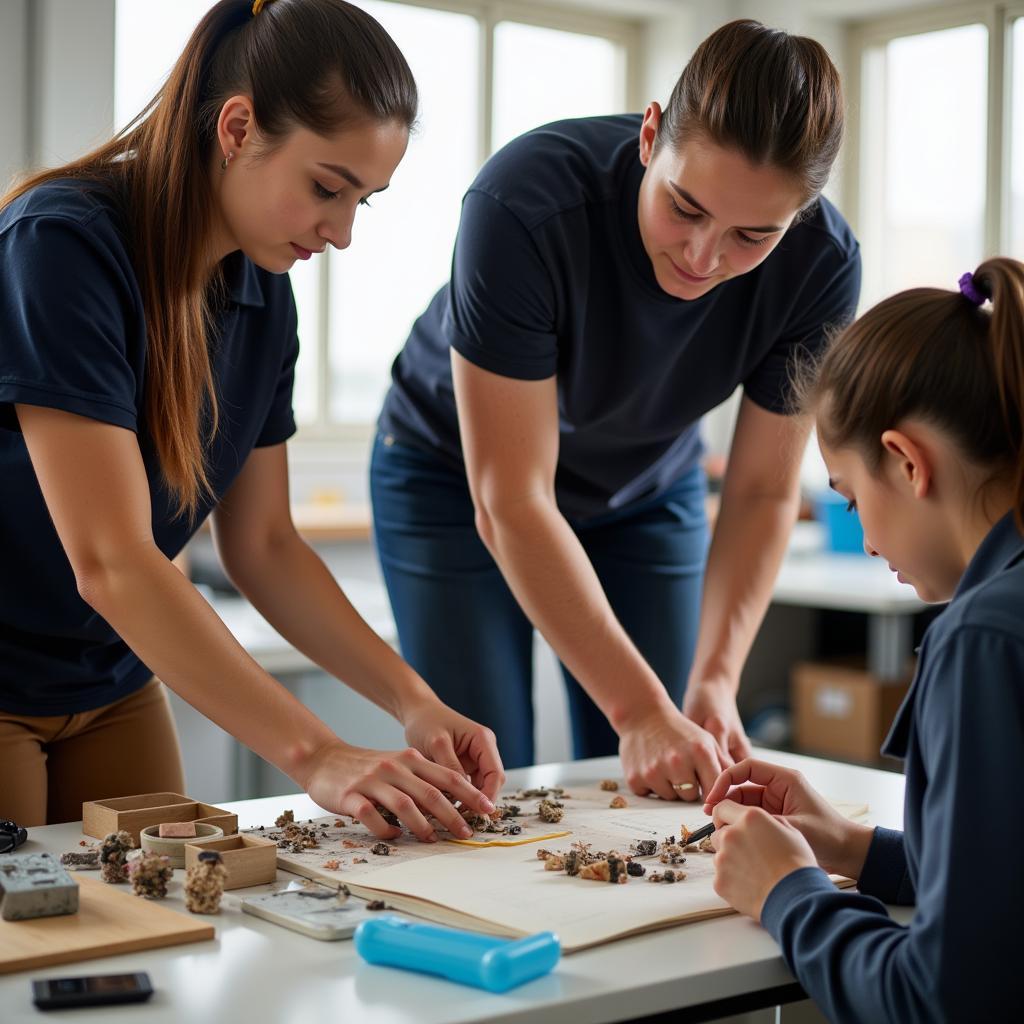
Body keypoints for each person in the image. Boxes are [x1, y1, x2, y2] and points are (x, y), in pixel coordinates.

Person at [0, 0, 503, 837]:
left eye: (364, 202)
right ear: (236, 128)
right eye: (325, 189)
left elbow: (265, 545)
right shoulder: (60, 246)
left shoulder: (266, 294)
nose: (341, 233)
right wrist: (317, 755)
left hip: (112, 680)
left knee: (158, 926)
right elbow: (113, 560)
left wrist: (414, 702)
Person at [371, 19, 861, 794]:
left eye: (752, 236)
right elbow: (511, 500)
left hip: (644, 486)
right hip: (452, 476)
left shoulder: (823, 269)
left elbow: (763, 488)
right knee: (488, 766)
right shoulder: (522, 204)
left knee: (672, 757)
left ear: (799, 218)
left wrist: (717, 678)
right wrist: (638, 709)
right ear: (650, 134)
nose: (704, 258)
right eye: (687, 207)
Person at [704, 258, 1024, 1020]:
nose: (868, 540)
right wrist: (853, 848)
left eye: (848, 500)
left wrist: (789, 893)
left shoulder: (984, 638)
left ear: (907, 462)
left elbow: (941, 1001)